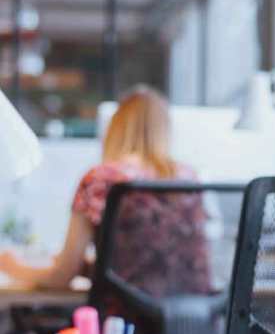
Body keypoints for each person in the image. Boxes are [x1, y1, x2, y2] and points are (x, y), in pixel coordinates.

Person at [0, 85, 208, 299]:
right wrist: (92, 267)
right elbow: (157, 265)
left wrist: (10, 265)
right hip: (196, 320)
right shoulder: (189, 178)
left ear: (116, 128)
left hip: (124, 323)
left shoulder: (100, 179)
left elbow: (62, 275)